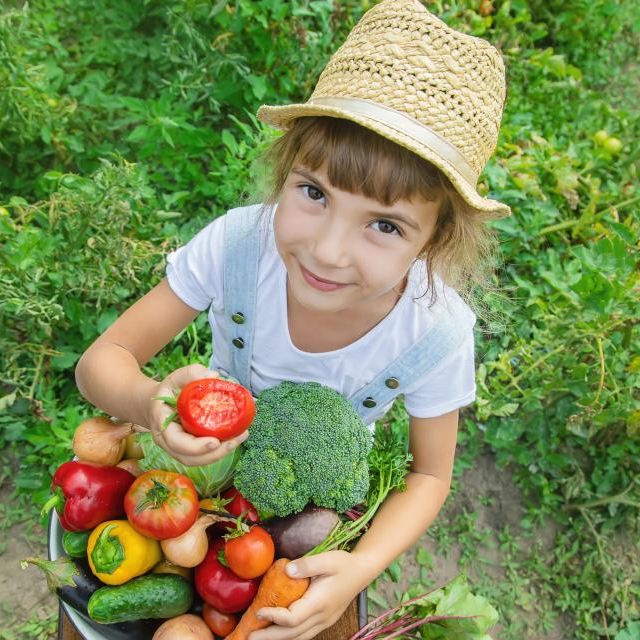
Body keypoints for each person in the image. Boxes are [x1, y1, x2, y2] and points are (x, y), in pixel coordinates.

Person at [75, 0, 511, 638]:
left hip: (318, 512)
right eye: (314, 193)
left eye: (385, 226)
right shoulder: (237, 247)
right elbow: (99, 364)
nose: (329, 251)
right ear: (284, 173)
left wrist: (360, 568)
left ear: (434, 241)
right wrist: (149, 405)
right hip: (201, 476)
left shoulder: (436, 334)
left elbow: (428, 475)